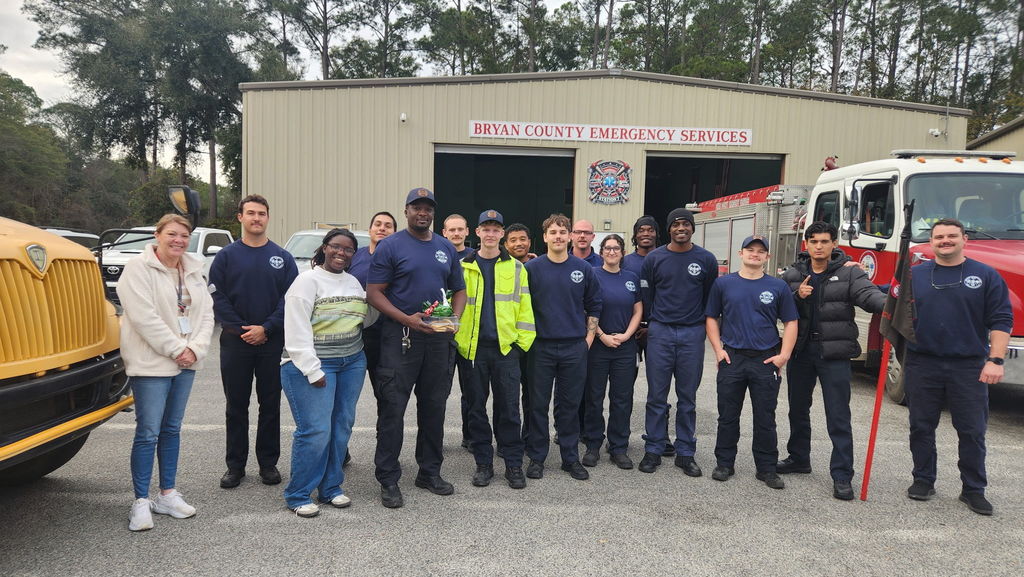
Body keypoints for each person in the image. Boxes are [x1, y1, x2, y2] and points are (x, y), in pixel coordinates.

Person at [367, 187, 467, 509]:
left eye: (428, 209)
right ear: (407, 210)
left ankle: (429, 471)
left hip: (437, 339)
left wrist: (453, 320)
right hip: (401, 338)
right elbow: (374, 293)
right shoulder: (390, 246)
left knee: (434, 407)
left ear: (432, 213)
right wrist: (406, 320)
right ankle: (388, 478)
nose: (422, 213)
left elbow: (460, 289)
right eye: (416, 208)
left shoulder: (444, 247)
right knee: (393, 409)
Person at [904, 218, 1012, 515]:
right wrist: (855, 273)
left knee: (972, 430)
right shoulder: (915, 275)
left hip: (968, 366)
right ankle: (923, 480)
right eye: (939, 237)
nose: (945, 241)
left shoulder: (986, 275)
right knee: (921, 426)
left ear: (964, 238)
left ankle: (973, 489)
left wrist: (996, 359)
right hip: (922, 363)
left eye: (952, 236)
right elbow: (891, 300)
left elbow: (1002, 319)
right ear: (932, 241)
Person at [117, 214, 215, 531]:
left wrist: (195, 349)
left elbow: (206, 315)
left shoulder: (193, 270)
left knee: (172, 428)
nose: (178, 240)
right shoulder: (138, 269)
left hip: (186, 361)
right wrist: (177, 349)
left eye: (184, 235)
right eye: (172, 234)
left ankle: (167, 493)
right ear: (157, 235)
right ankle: (141, 501)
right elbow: (143, 316)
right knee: (149, 431)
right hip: (152, 362)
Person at [778, 221, 886, 500]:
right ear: (806, 244)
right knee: (797, 410)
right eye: (814, 241)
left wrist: (891, 304)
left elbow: (869, 296)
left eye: (825, 241)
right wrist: (795, 296)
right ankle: (799, 458)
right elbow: (775, 304)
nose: (819, 246)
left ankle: (842, 475)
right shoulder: (793, 274)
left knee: (838, 416)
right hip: (801, 352)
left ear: (834, 244)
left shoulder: (849, 274)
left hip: (834, 354)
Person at [280, 229, 374, 517]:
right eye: (336, 247)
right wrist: (312, 369)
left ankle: (331, 487)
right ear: (324, 248)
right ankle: (298, 493)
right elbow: (295, 331)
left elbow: (365, 319)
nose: (341, 253)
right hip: (313, 365)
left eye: (348, 250)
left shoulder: (354, 282)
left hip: (352, 362)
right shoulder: (306, 282)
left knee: (341, 426)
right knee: (316, 431)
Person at [210, 195, 298, 490]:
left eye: (261, 213)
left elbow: (291, 300)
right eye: (251, 213)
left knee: (270, 404)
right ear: (240, 218)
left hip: (271, 342)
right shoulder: (226, 256)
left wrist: (267, 328)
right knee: (236, 405)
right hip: (236, 343)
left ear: (267, 218)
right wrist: (240, 329)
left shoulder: (282, 258)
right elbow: (216, 295)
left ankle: (268, 464)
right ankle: (235, 466)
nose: (256, 218)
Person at [705, 235, 798, 489]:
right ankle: (725, 463)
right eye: (750, 250)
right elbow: (712, 317)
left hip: (765, 359)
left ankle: (767, 469)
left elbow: (791, 322)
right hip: (732, 357)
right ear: (740, 253)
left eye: (760, 251)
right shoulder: (723, 284)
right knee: (727, 415)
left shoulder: (778, 287)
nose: (755, 254)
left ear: (767, 257)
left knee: (765, 417)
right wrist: (717, 350)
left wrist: (784, 355)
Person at [455, 210, 536, 489]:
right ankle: (484, 464)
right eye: (485, 229)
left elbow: (525, 306)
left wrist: (519, 345)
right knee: (476, 409)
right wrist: (458, 341)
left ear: (502, 234)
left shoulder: (516, 267)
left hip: (506, 351)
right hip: (473, 350)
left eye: (495, 229)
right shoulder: (462, 265)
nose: (490, 234)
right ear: (477, 233)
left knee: (509, 410)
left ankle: (513, 464)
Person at [638, 209, 718, 476]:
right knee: (656, 395)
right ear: (669, 229)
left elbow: (710, 297)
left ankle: (685, 452)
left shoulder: (705, 259)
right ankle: (654, 448)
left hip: (692, 334)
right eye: (676, 224)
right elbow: (647, 295)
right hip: (660, 333)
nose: (681, 228)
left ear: (692, 228)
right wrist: (651, 323)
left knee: (688, 397)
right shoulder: (655, 258)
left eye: (686, 224)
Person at [524, 213, 603, 481]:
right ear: (544, 237)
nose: (558, 236)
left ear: (569, 236)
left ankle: (570, 457)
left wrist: (588, 341)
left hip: (574, 347)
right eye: (553, 232)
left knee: (569, 405)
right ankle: (537, 458)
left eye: (562, 232)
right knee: (537, 405)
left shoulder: (583, 270)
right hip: (540, 348)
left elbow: (594, 305)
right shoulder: (532, 270)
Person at [581, 234, 642, 470]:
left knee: (621, 398)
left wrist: (627, 335)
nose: (612, 252)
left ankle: (618, 447)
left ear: (623, 252)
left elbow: (638, 310)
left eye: (616, 248)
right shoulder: (593, 274)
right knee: (594, 397)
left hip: (625, 346)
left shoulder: (631, 278)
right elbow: (587, 309)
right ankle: (593, 444)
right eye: (608, 248)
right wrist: (602, 335)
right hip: (598, 345)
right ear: (602, 251)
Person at [621, 215, 670, 455]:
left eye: (651, 230)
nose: (646, 234)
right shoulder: (626, 261)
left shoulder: (665, 258)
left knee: (659, 386)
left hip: (657, 329)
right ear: (635, 234)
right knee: (624, 386)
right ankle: (620, 436)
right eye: (642, 230)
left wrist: (652, 325)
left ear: (656, 233)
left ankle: (660, 436)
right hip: (629, 330)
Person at [347, 210, 398, 394]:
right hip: (355, 332)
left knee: (384, 391)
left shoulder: (398, 259)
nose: (382, 228)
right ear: (370, 230)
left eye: (388, 226)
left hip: (386, 333)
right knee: (348, 390)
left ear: (394, 233)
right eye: (378, 224)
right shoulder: (355, 256)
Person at [504, 222, 536, 440]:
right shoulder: (502, 268)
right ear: (505, 244)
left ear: (530, 242)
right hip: (509, 343)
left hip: (534, 342)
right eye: (513, 240)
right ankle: (510, 438)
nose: (518, 243)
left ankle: (529, 436)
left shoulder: (538, 266)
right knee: (508, 396)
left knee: (533, 394)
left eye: (522, 239)